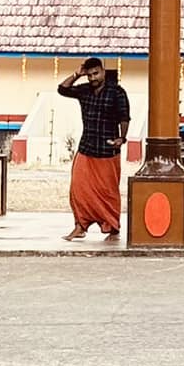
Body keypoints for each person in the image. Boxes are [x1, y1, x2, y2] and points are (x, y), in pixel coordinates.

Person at [57, 58, 129, 240]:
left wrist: (122, 138)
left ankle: (112, 227)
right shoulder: (84, 90)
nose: (92, 78)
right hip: (86, 147)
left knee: (108, 192)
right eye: (89, 75)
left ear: (103, 71)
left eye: (96, 73)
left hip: (107, 150)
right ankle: (80, 226)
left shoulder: (117, 92)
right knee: (78, 189)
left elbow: (124, 117)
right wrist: (76, 74)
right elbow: (62, 89)